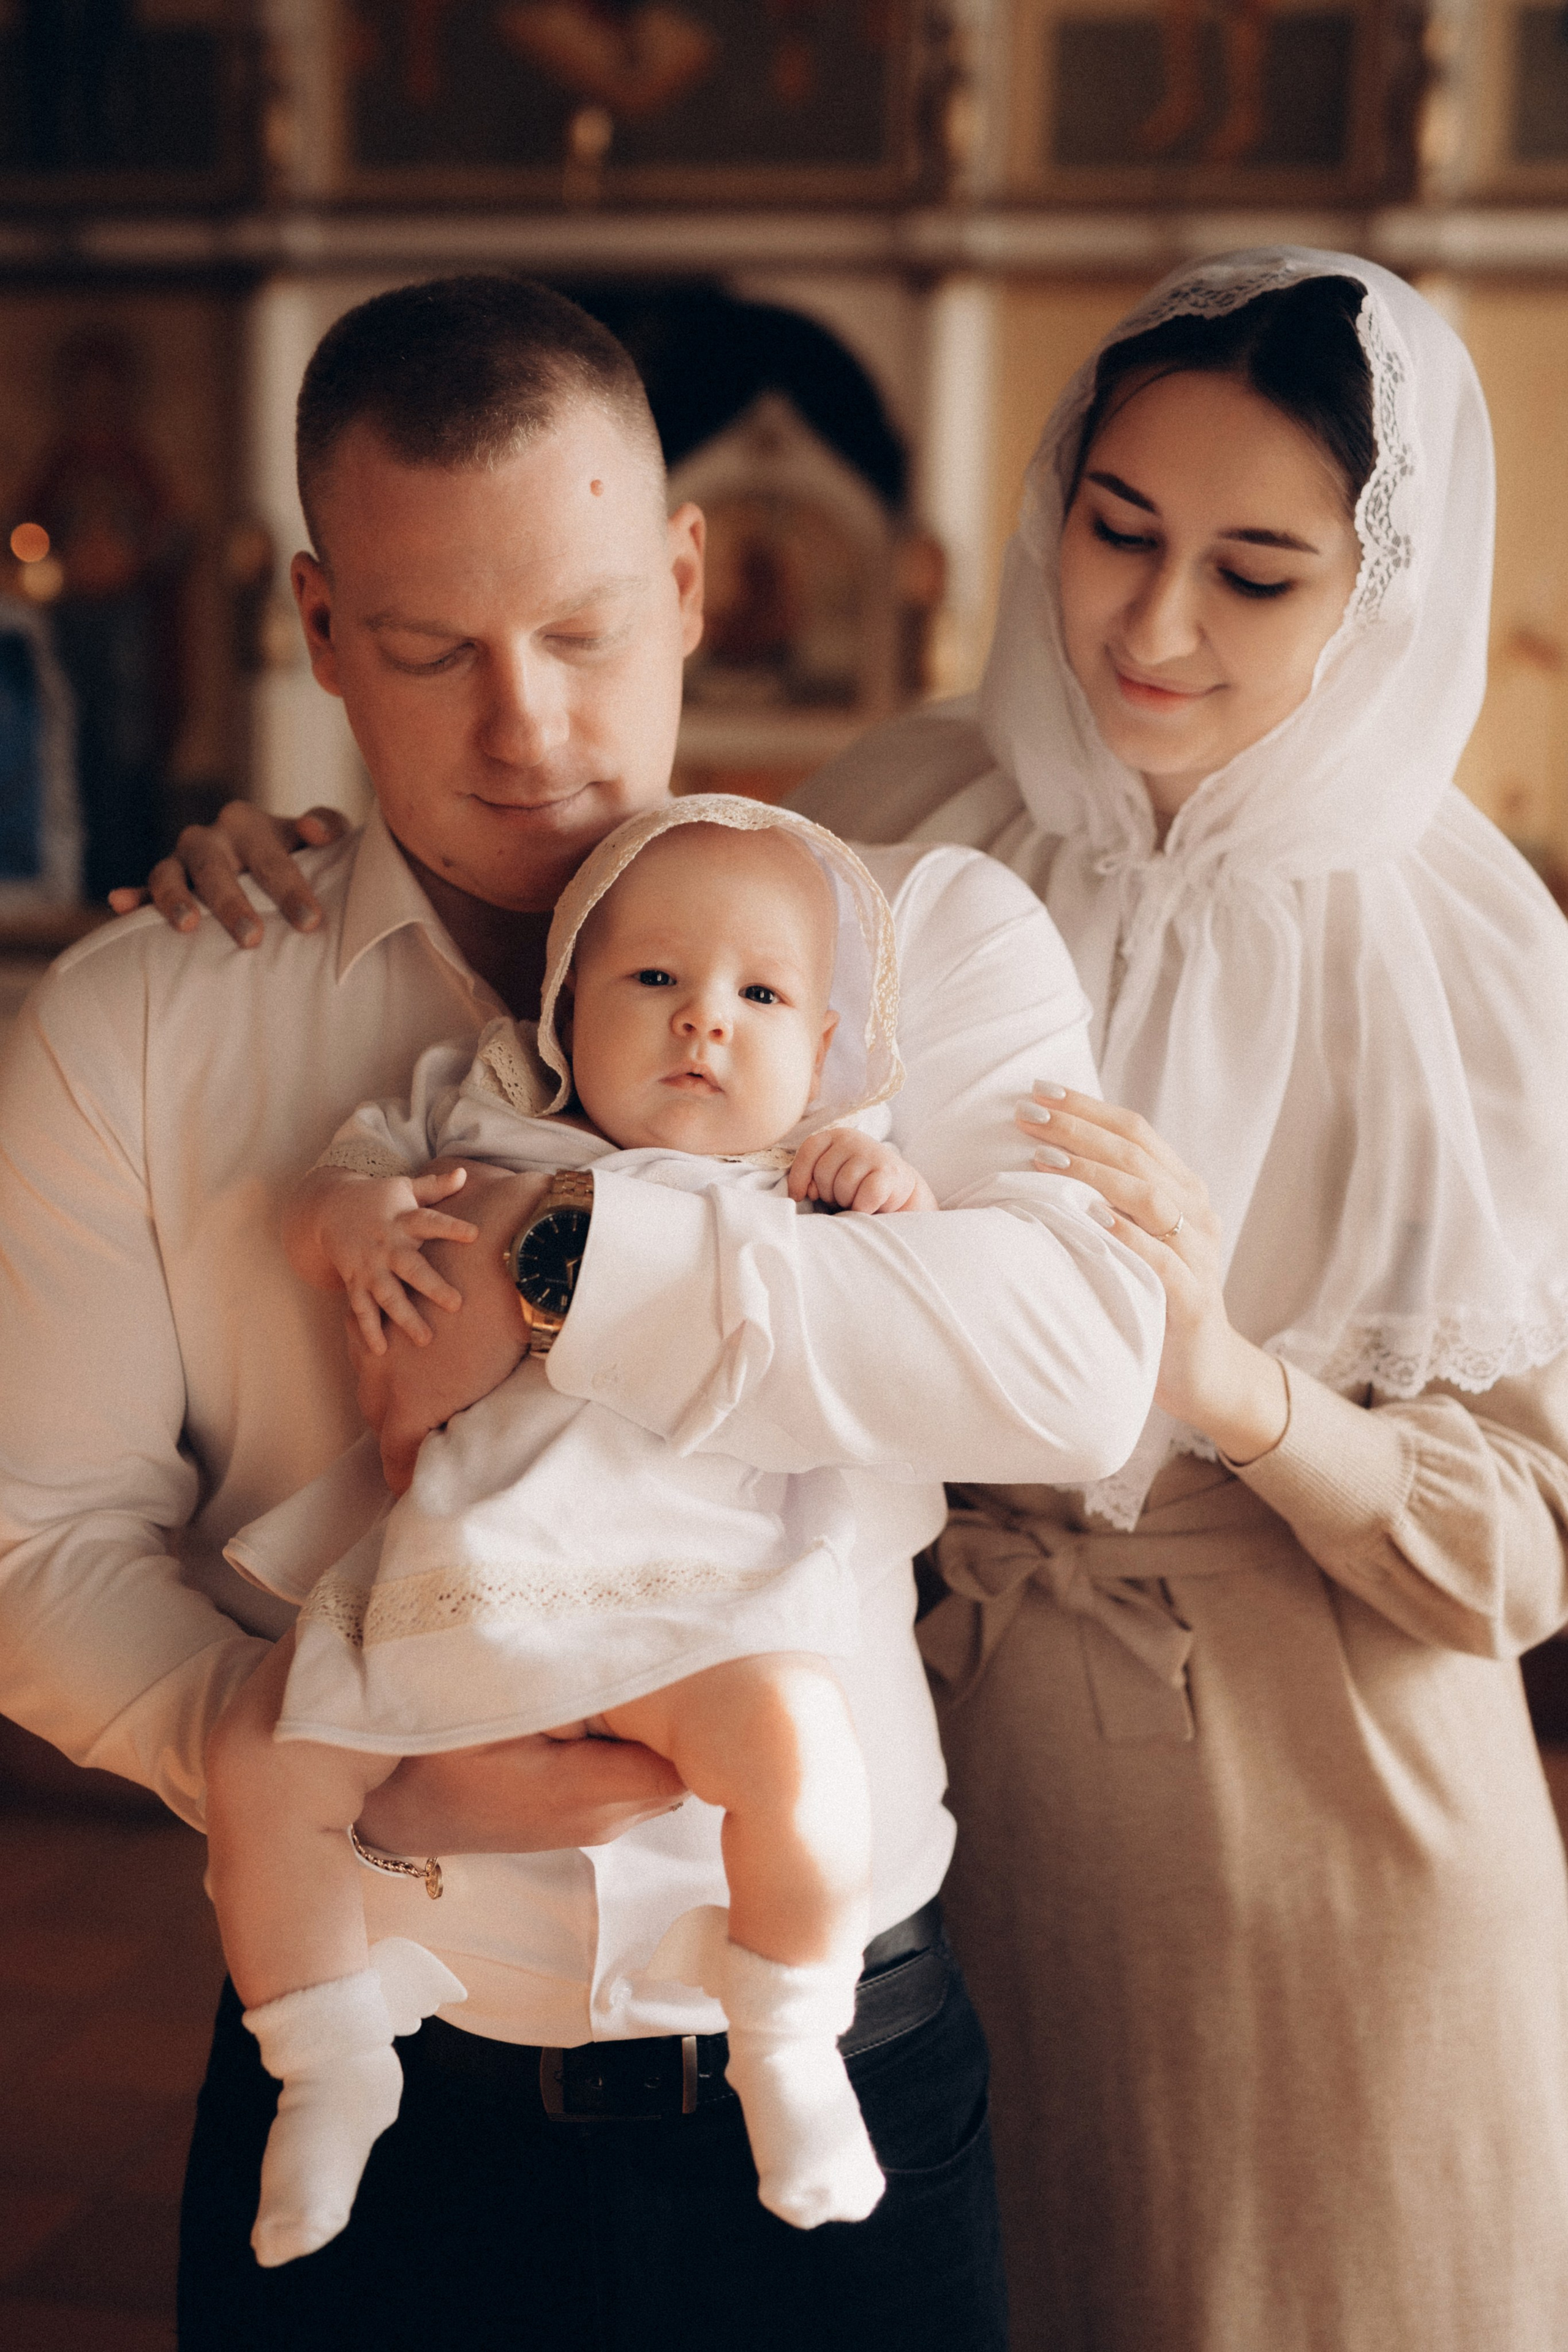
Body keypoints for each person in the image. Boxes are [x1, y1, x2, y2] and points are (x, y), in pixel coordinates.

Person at [0, 274, 1163, 2351]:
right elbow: (34, 1539)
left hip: (840, 2070)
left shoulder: (923, 955)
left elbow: (1070, 1379)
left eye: (585, 631)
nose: (524, 728)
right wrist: (335, 1765)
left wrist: (565, 1263)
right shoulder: (143, 1023)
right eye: (434, 648)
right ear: (318, 625)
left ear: (695, 579)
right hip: (370, 2074)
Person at [793, 251, 1568, 2351]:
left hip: (1333, 1857)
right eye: (1117, 532)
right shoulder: (886, 825)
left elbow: (1522, 1553)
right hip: (920, 1808)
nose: (1151, 626)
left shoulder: (1472, 959)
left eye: (1256, 574)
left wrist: (1233, 1387)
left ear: (1377, 598)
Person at [209, 798, 935, 2264]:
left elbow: (910, 1313)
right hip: (462, 1582)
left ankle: (786, 2036)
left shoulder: (800, 1169)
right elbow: (329, 1194)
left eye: (760, 994)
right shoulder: (468, 1112)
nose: (702, 1026)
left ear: (822, 1049)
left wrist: (886, 1191)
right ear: (560, 1004)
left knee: (798, 1753)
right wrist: (345, 1225)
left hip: (696, 1607)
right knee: (258, 1758)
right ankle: (330, 2061)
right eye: (653, 980)